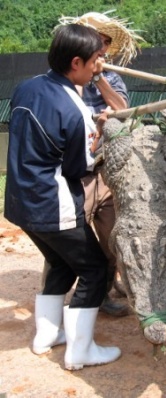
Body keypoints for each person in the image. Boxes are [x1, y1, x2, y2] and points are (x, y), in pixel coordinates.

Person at [4, 24, 122, 370]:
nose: (99, 66)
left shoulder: (26, 87)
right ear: (76, 62)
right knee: (95, 269)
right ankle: (81, 350)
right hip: (51, 204)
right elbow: (79, 167)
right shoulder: (75, 110)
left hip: (19, 203)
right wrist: (99, 131)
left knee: (60, 262)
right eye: (96, 60)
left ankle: (47, 334)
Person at [43, 12, 144, 316]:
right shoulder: (65, 74)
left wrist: (99, 78)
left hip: (105, 167)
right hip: (73, 170)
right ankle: (53, 296)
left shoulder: (110, 77)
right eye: (96, 39)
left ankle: (101, 292)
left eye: (105, 41)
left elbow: (124, 110)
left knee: (110, 234)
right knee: (66, 234)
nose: (102, 46)